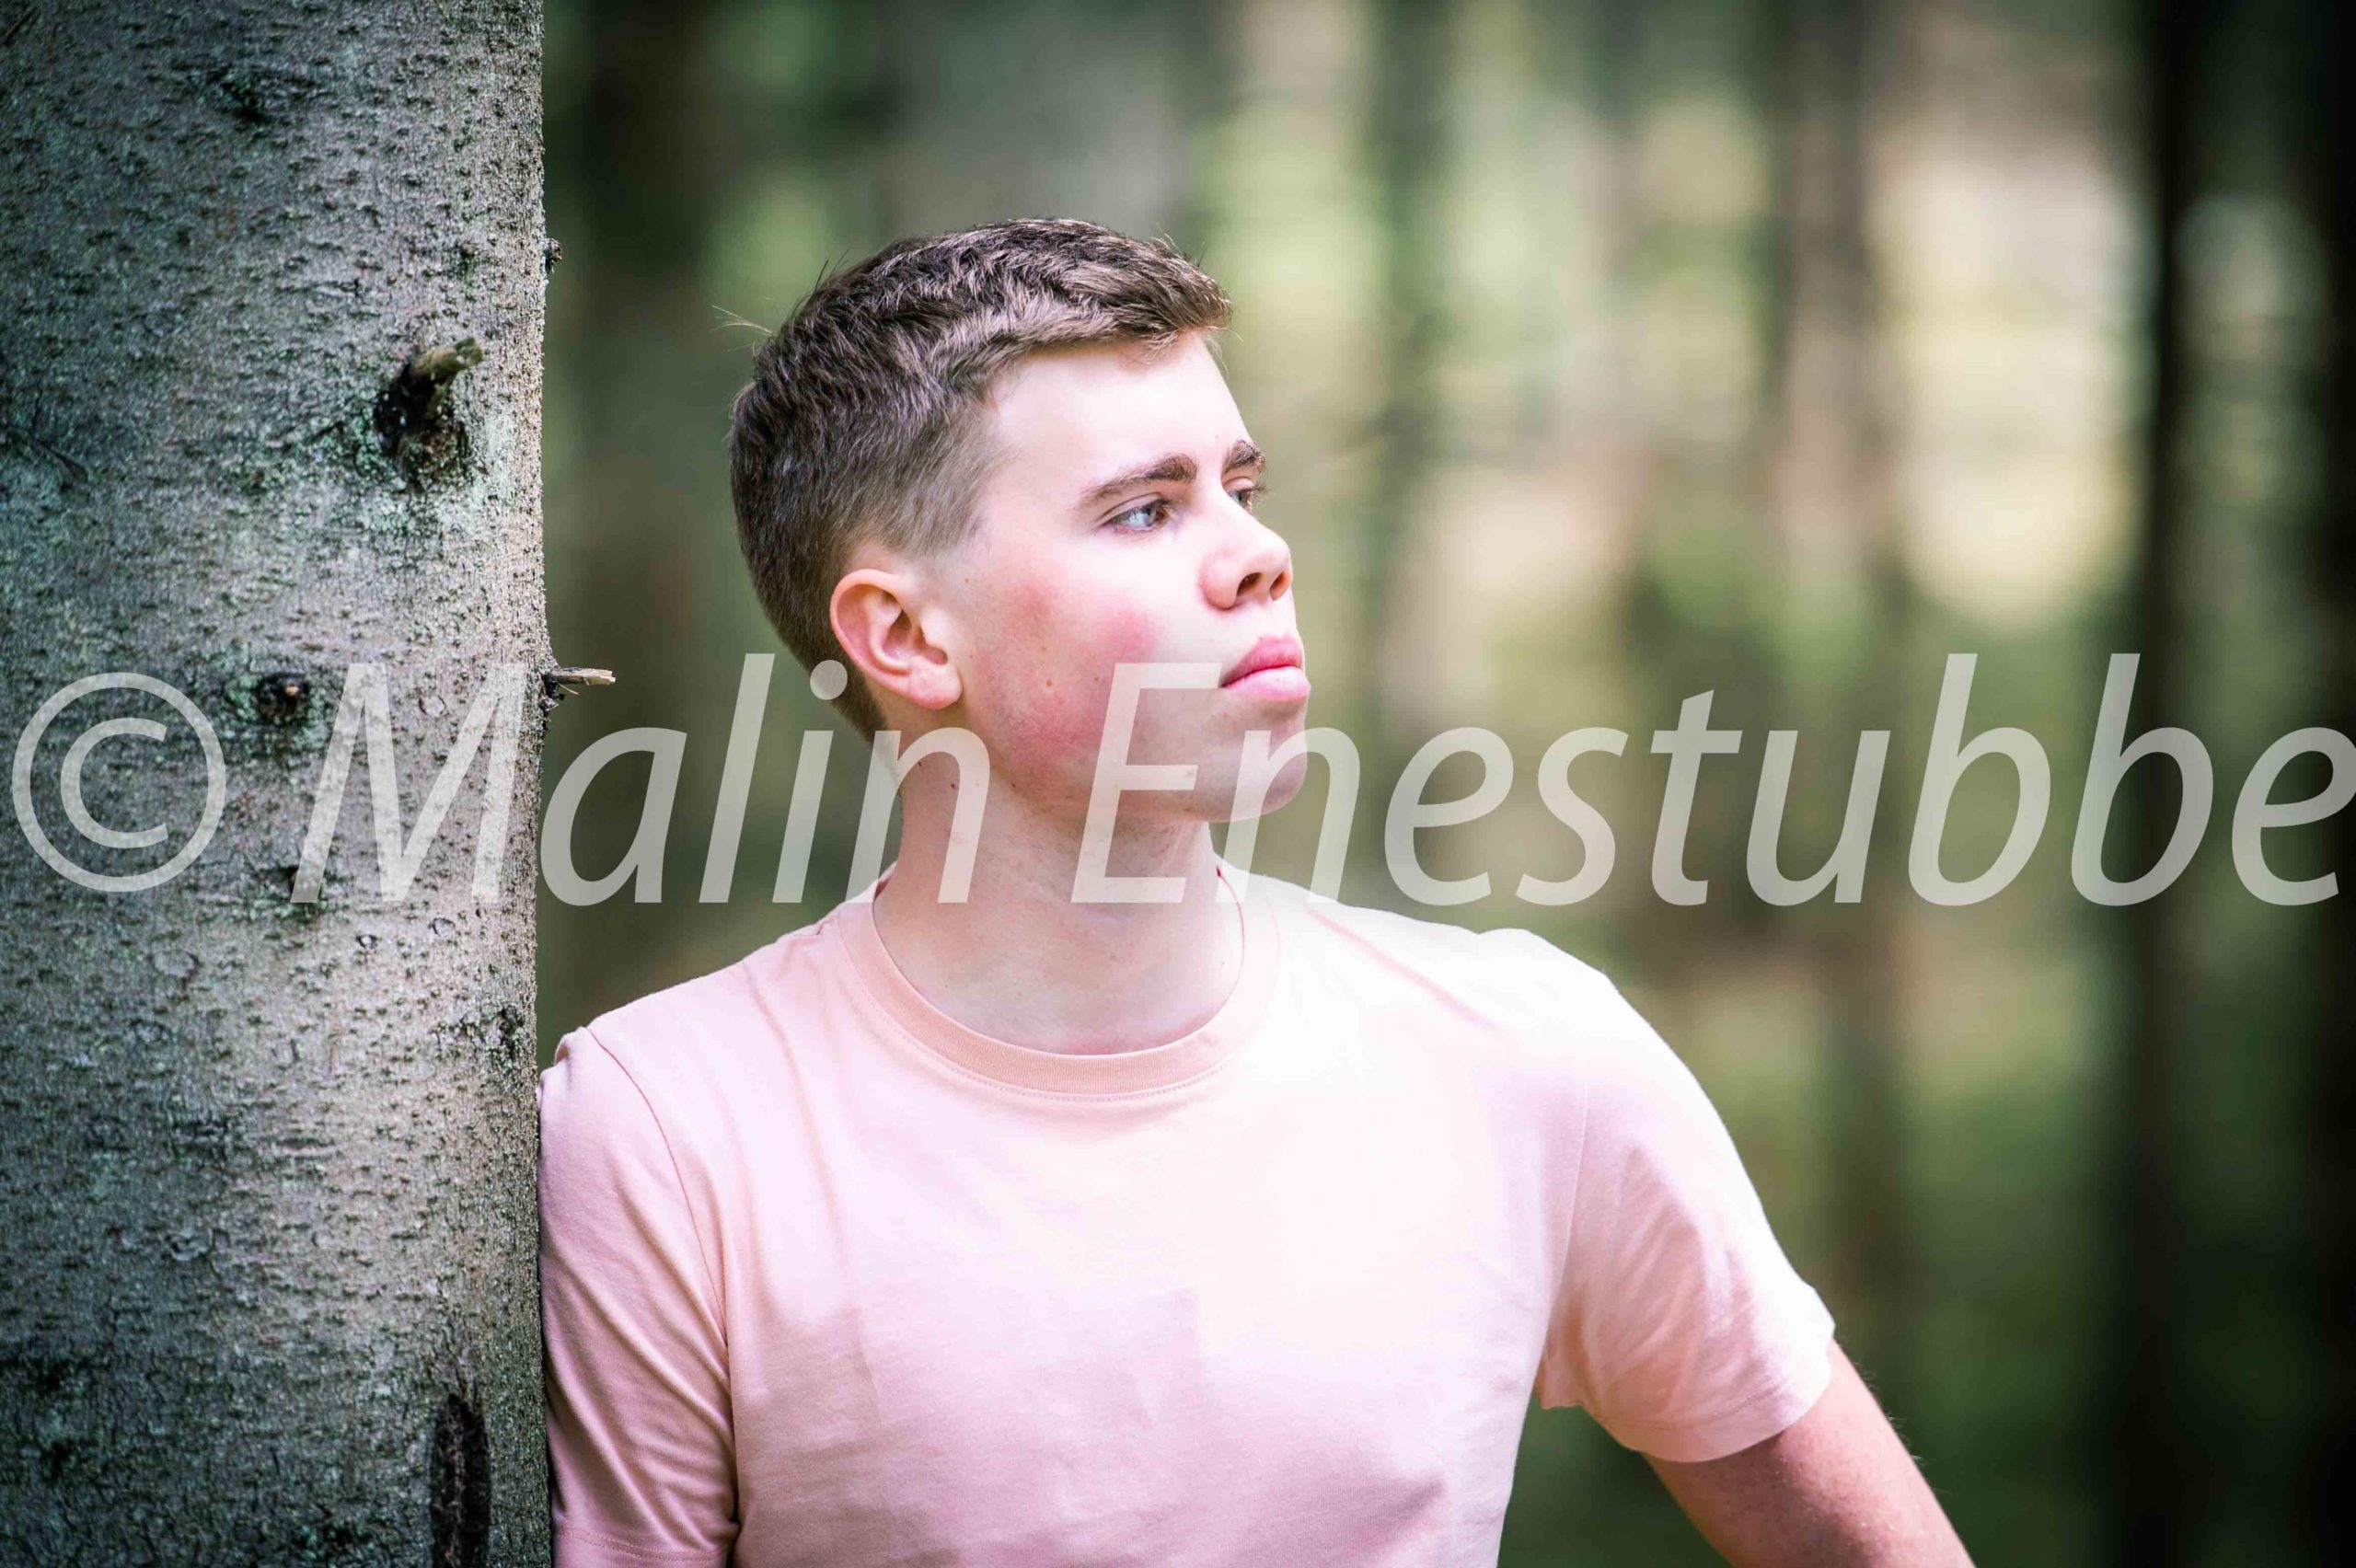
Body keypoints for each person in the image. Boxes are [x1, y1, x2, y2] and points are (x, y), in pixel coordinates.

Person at [537, 217, 1973, 1567]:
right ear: (906, 638)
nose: (1260, 556)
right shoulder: (664, 1136)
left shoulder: (1529, 1059)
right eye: (1143, 512)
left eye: (1243, 487)